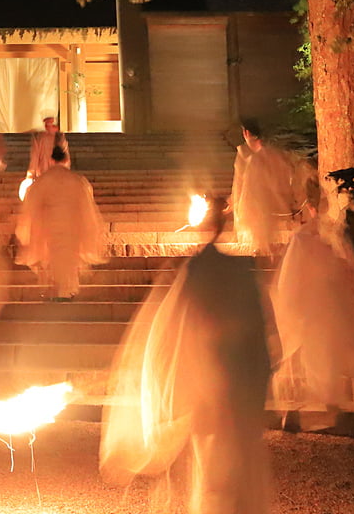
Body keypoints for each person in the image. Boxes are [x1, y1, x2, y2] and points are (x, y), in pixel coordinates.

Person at [100, 199, 273, 514]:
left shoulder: (197, 270)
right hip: (238, 379)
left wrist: (178, 387)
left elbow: (176, 329)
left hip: (210, 379)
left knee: (213, 470)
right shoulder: (240, 270)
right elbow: (258, 326)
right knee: (236, 466)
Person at [270, 191, 354, 428]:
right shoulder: (316, 239)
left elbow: (290, 283)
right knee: (317, 362)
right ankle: (313, 410)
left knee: (321, 363)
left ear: (310, 209)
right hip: (319, 310)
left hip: (322, 310)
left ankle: (321, 410)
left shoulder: (318, 239)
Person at [15, 146, 108, 300]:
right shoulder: (77, 180)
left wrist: (24, 229)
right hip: (71, 227)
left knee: (52, 260)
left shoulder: (43, 181)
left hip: (49, 228)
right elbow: (86, 207)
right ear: (67, 160)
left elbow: (31, 207)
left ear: (51, 160)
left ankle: (54, 292)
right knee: (68, 260)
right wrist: (90, 228)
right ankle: (67, 292)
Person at [229, 119, 297, 255]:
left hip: (259, 205)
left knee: (263, 238)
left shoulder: (258, 157)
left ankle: (263, 251)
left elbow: (243, 184)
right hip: (264, 204)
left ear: (246, 133)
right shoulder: (257, 154)